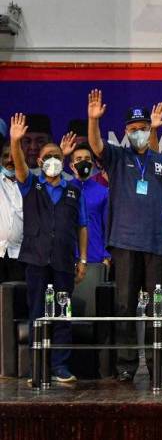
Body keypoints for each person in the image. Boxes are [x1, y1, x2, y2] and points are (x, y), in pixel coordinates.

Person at [87, 90, 162, 382]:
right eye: (133, 129)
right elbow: (96, 145)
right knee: (125, 306)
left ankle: (157, 365)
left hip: (156, 243)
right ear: (125, 131)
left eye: (143, 128)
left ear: (149, 130)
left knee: (157, 307)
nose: (138, 133)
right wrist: (93, 121)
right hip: (125, 243)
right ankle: (126, 365)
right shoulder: (117, 156)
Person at [10, 113, 88, 383]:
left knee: (62, 315)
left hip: (64, 261)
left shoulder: (73, 189)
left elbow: (82, 225)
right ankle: (38, 368)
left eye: (57, 155)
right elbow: (20, 166)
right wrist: (15, 141)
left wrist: (83, 259)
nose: (53, 160)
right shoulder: (30, 184)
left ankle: (60, 367)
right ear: (41, 162)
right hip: (36, 260)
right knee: (37, 314)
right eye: (48, 156)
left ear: (62, 160)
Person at [63, 142, 110, 266]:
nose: (83, 162)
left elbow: (108, 226)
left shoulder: (104, 192)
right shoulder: (63, 189)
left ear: (92, 164)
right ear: (72, 166)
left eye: (87, 159)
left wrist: (106, 255)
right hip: (67, 256)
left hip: (95, 257)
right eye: (78, 159)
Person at [0, 140, 25, 282]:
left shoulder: (31, 185)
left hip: (20, 255)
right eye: (5, 156)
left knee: (18, 301)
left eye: (14, 155)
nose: (10, 160)